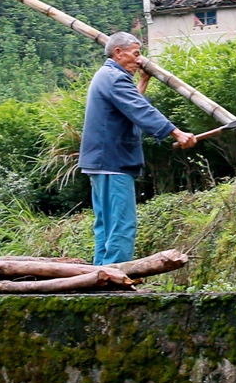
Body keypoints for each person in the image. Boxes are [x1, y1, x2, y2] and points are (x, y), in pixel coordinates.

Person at [80, 32, 198, 265]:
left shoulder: (107, 76)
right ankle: (115, 274)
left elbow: (129, 105)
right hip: (113, 161)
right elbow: (140, 111)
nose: (138, 60)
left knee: (107, 224)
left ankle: (102, 273)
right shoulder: (114, 77)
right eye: (135, 54)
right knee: (122, 223)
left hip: (103, 161)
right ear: (118, 52)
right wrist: (177, 132)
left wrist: (143, 81)